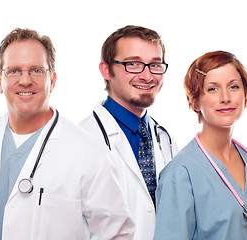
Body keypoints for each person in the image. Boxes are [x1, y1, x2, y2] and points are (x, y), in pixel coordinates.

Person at [0, 28, 135, 240]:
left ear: (52, 80)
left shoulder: (90, 153)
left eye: (36, 70)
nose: (25, 81)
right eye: (14, 71)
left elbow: (117, 234)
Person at [154, 51, 247, 239]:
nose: (225, 97)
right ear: (195, 101)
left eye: (234, 87)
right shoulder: (181, 173)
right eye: (213, 89)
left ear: (245, 93)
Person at [79, 25, 178, 239]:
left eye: (155, 65)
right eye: (133, 64)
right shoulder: (81, 141)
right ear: (106, 70)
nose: (147, 75)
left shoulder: (165, 140)